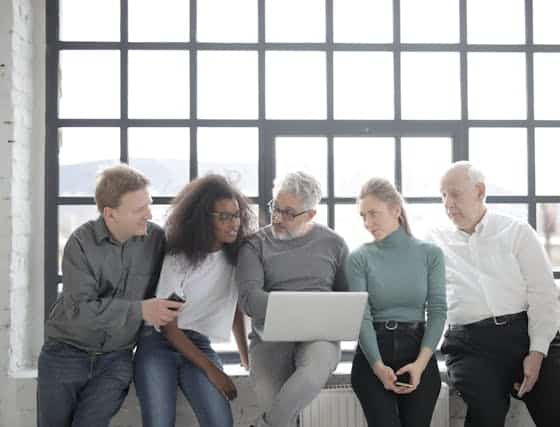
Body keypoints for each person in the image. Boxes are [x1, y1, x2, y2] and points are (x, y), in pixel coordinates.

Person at [430, 161, 560, 427]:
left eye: (454, 194)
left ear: (479, 191)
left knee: (558, 415)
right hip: (470, 345)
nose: (447, 203)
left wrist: (537, 351)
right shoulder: (433, 241)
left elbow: (543, 295)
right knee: (486, 414)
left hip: (526, 333)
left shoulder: (516, 232)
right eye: (442, 195)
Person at [37, 164, 182, 427]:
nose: (148, 214)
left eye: (148, 204)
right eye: (139, 209)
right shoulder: (80, 243)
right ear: (110, 214)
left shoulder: (156, 239)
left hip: (116, 359)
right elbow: (81, 308)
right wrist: (140, 310)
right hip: (65, 353)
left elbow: (186, 264)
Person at [133, 174, 254, 427]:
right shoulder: (179, 259)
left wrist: (245, 355)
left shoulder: (236, 256)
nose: (234, 224)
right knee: (159, 423)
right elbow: (168, 327)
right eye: (224, 217)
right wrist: (214, 372)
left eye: (236, 215)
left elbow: (233, 307)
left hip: (198, 342)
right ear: (203, 218)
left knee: (220, 422)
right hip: (158, 344)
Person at [237, 171, 349, 427]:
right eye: (275, 207)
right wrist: (296, 306)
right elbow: (249, 300)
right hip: (270, 339)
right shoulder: (254, 244)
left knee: (313, 372)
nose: (278, 217)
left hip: (320, 336)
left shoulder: (334, 244)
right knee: (279, 408)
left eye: (289, 212)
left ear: (310, 215)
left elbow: (348, 300)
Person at [346, 177, 447, 427]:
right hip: (372, 357)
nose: (368, 223)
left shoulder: (430, 254)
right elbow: (361, 316)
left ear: (396, 210)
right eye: (363, 216)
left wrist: (420, 365)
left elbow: (437, 312)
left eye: (373, 213)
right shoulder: (359, 258)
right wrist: (379, 368)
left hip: (418, 352)